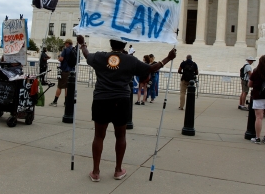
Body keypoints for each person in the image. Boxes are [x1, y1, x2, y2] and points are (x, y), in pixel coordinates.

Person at [76, 35, 176, 182]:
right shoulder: (130, 60)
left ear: (110, 43)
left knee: (98, 136)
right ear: (124, 45)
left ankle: (96, 171)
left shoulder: (99, 57)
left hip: (101, 98)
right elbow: (152, 68)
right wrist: (168, 57)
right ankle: (118, 170)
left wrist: (82, 44)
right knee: (120, 136)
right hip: (121, 100)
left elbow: (86, 54)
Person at [50, 39, 75, 106]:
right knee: (67, 87)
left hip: (64, 70)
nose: (65, 44)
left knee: (60, 86)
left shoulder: (66, 49)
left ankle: (55, 101)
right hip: (71, 71)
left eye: (65, 43)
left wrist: (59, 58)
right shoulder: (74, 50)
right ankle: (66, 102)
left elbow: (61, 59)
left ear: (67, 43)